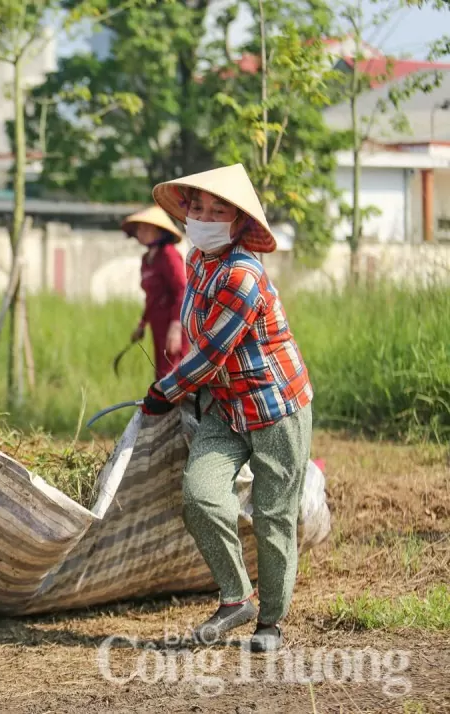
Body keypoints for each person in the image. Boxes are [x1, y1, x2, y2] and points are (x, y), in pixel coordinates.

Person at [139, 164, 314, 654]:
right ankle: (237, 597)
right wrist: (185, 388)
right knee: (201, 494)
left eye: (220, 211)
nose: (206, 217)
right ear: (187, 212)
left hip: (275, 405)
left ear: (237, 224)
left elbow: (213, 351)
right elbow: (198, 340)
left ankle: (271, 623)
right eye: (199, 208)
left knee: (275, 514)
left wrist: (166, 390)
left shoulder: (243, 274)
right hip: (225, 405)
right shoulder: (196, 261)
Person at [122, 206, 187, 380]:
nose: (139, 232)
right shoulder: (147, 259)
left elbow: (182, 290)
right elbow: (151, 298)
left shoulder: (169, 255)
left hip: (173, 326)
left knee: (174, 374)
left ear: (158, 231)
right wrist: (142, 324)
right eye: (138, 228)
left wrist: (175, 327)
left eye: (145, 228)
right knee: (161, 373)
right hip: (158, 327)